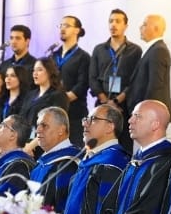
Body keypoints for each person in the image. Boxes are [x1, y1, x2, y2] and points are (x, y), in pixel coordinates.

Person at [90, 8, 142, 151]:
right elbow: (92, 78)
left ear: (125, 26)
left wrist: (117, 101)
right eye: (111, 21)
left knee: (124, 147)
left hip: (124, 106)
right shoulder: (99, 49)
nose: (113, 24)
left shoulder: (135, 50)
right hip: (102, 105)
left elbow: (135, 80)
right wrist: (106, 102)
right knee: (100, 145)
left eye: (118, 21)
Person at [26, 106, 81, 214]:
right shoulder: (40, 163)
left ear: (61, 130)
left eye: (44, 125)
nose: (38, 130)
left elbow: (66, 209)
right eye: (38, 125)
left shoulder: (70, 163)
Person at [126, 14, 171, 123]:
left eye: (144, 24)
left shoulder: (158, 50)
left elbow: (155, 85)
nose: (140, 27)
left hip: (151, 117)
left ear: (155, 28)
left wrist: (144, 113)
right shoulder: (153, 49)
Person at [53, 15, 92, 146]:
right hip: (54, 111)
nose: (62, 29)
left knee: (74, 149)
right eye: (61, 25)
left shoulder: (83, 57)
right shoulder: (54, 55)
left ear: (77, 30)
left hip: (75, 113)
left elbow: (82, 84)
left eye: (67, 25)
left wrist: (63, 99)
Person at [18, 57, 70, 143]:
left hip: (44, 144)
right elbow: (21, 119)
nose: (35, 73)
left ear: (49, 72)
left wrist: (31, 146)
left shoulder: (58, 95)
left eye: (39, 70)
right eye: (34, 70)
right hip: (25, 141)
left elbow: (55, 125)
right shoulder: (30, 94)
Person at [0, 24, 37, 96]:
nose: (13, 41)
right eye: (11, 38)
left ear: (27, 41)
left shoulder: (35, 65)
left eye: (18, 38)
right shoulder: (4, 65)